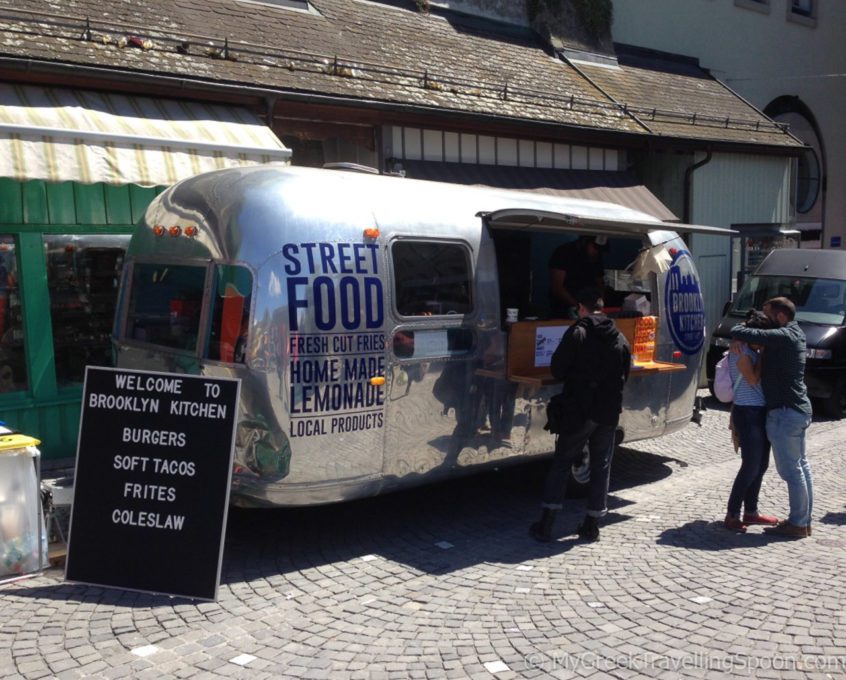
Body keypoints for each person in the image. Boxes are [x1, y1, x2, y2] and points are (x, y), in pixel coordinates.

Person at [529, 287, 631, 542]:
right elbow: (625, 374)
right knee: (601, 466)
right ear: (602, 307)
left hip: (579, 410)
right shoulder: (619, 337)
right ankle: (592, 525)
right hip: (608, 411)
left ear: (581, 309)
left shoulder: (578, 332)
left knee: (563, 462)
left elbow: (558, 368)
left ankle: (546, 524)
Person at [731, 297, 813, 539]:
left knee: (792, 470)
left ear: (780, 316)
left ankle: (798, 523)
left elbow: (737, 328)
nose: (764, 320)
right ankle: (803, 520)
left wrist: (741, 336)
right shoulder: (794, 333)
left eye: (767, 315)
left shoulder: (783, 336)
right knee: (801, 467)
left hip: (785, 412)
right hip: (797, 409)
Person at [724, 310, 780, 532]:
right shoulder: (741, 351)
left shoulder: (746, 347)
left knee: (762, 465)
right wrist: (763, 356)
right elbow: (753, 379)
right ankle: (732, 514)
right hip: (748, 413)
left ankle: (751, 511)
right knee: (750, 465)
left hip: (758, 411)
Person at [548, 235, 606, 319]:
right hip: (563, 310)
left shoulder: (597, 257)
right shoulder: (563, 252)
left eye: (600, 249)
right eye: (595, 247)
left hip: (589, 310)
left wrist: (599, 304)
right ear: (584, 242)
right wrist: (578, 306)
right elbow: (557, 288)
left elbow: (600, 283)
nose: (597, 252)